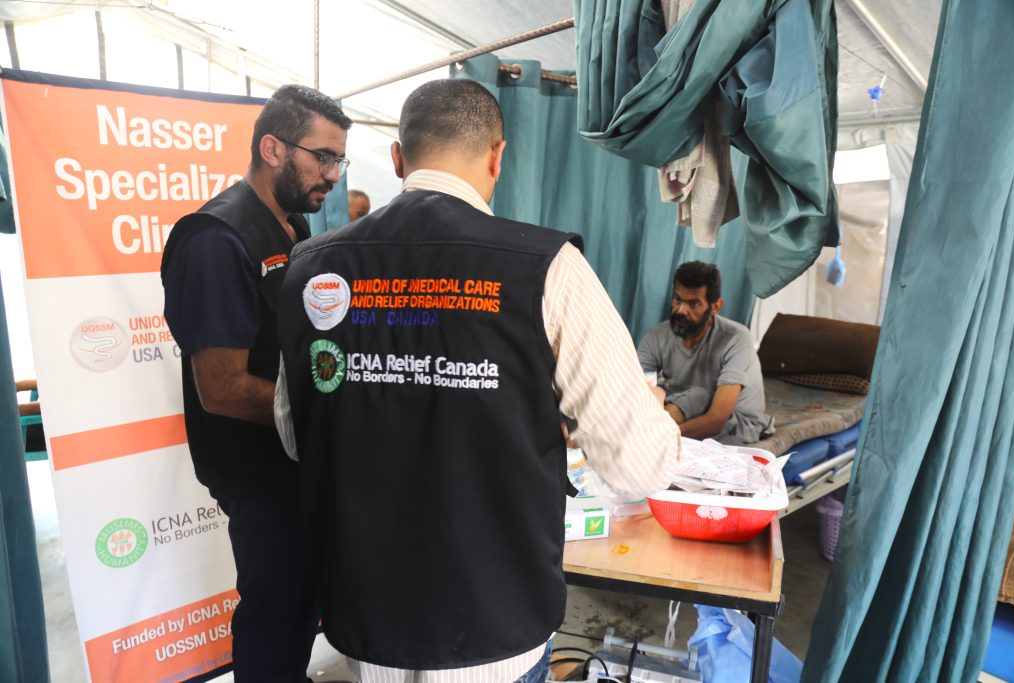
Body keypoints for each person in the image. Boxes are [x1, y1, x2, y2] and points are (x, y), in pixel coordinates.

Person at [274, 79, 680, 683]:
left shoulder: (311, 268)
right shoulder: (547, 268)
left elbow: (294, 435)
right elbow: (638, 465)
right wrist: (652, 412)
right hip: (496, 621)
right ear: (497, 157)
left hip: (367, 614)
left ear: (398, 159)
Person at [161, 84, 352, 683]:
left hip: (302, 469)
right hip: (262, 480)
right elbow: (221, 388)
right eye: (323, 157)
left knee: (299, 612)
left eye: (339, 160)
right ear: (273, 148)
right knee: (275, 617)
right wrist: (332, 414)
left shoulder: (293, 227)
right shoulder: (216, 239)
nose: (333, 175)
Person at [637, 260, 773, 445]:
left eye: (693, 304)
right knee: (656, 396)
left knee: (698, 396)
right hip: (680, 408)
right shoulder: (657, 335)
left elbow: (717, 419)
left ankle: (649, 433)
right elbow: (636, 389)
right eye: (677, 299)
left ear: (715, 307)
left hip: (735, 423)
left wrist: (659, 437)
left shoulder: (736, 338)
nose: (681, 310)